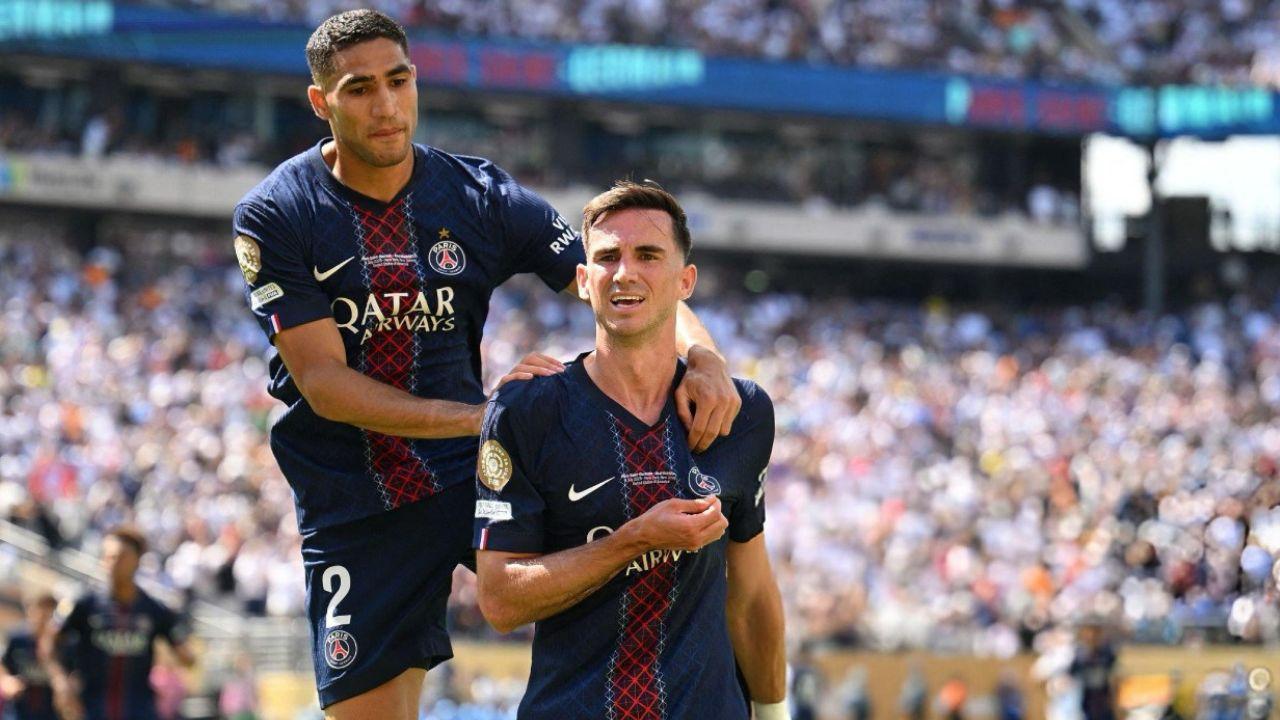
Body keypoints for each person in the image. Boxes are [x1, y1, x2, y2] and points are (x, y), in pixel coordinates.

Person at [231, 10, 740, 719]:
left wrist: (705, 355)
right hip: (355, 498)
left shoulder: (476, 194)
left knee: (643, 582)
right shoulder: (276, 214)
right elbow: (324, 385)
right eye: (359, 89)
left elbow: (615, 280)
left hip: (479, 481)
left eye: (398, 81)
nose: (385, 105)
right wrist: (483, 417)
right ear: (322, 103)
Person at [472, 181, 788, 719]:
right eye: (607, 257)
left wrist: (776, 713)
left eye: (648, 255)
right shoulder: (527, 411)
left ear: (685, 280)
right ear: (582, 279)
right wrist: (634, 540)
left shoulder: (741, 413)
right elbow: (500, 599)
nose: (625, 272)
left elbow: (752, 593)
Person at [44, 526, 196, 720]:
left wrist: (184, 655)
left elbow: (186, 656)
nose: (113, 563)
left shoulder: (154, 610)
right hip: (91, 708)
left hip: (139, 709)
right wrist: (60, 681)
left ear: (137, 561)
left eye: (120, 557)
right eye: (108, 557)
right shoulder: (83, 604)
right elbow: (49, 642)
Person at [0, 593, 57, 720]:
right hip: (19, 706)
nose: (41, 618)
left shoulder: (59, 643)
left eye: (47, 614)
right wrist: (6, 680)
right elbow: (3, 664)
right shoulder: (17, 638)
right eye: (38, 611)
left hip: (48, 709)